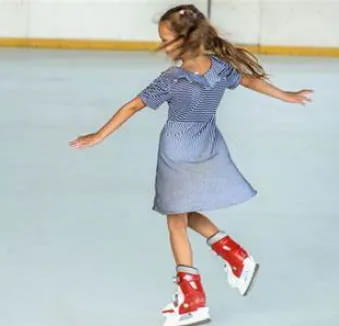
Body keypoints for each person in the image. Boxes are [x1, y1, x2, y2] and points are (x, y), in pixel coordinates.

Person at [69, 4, 313, 326]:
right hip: (207, 144)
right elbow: (251, 82)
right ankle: (233, 254)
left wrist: (99, 136)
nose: (164, 48)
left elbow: (132, 107)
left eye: (166, 41)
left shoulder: (171, 79)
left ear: (183, 41)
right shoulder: (220, 68)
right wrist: (286, 95)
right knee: (182, 210)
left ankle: (195, 299)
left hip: (176, 150)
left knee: (175, 220)